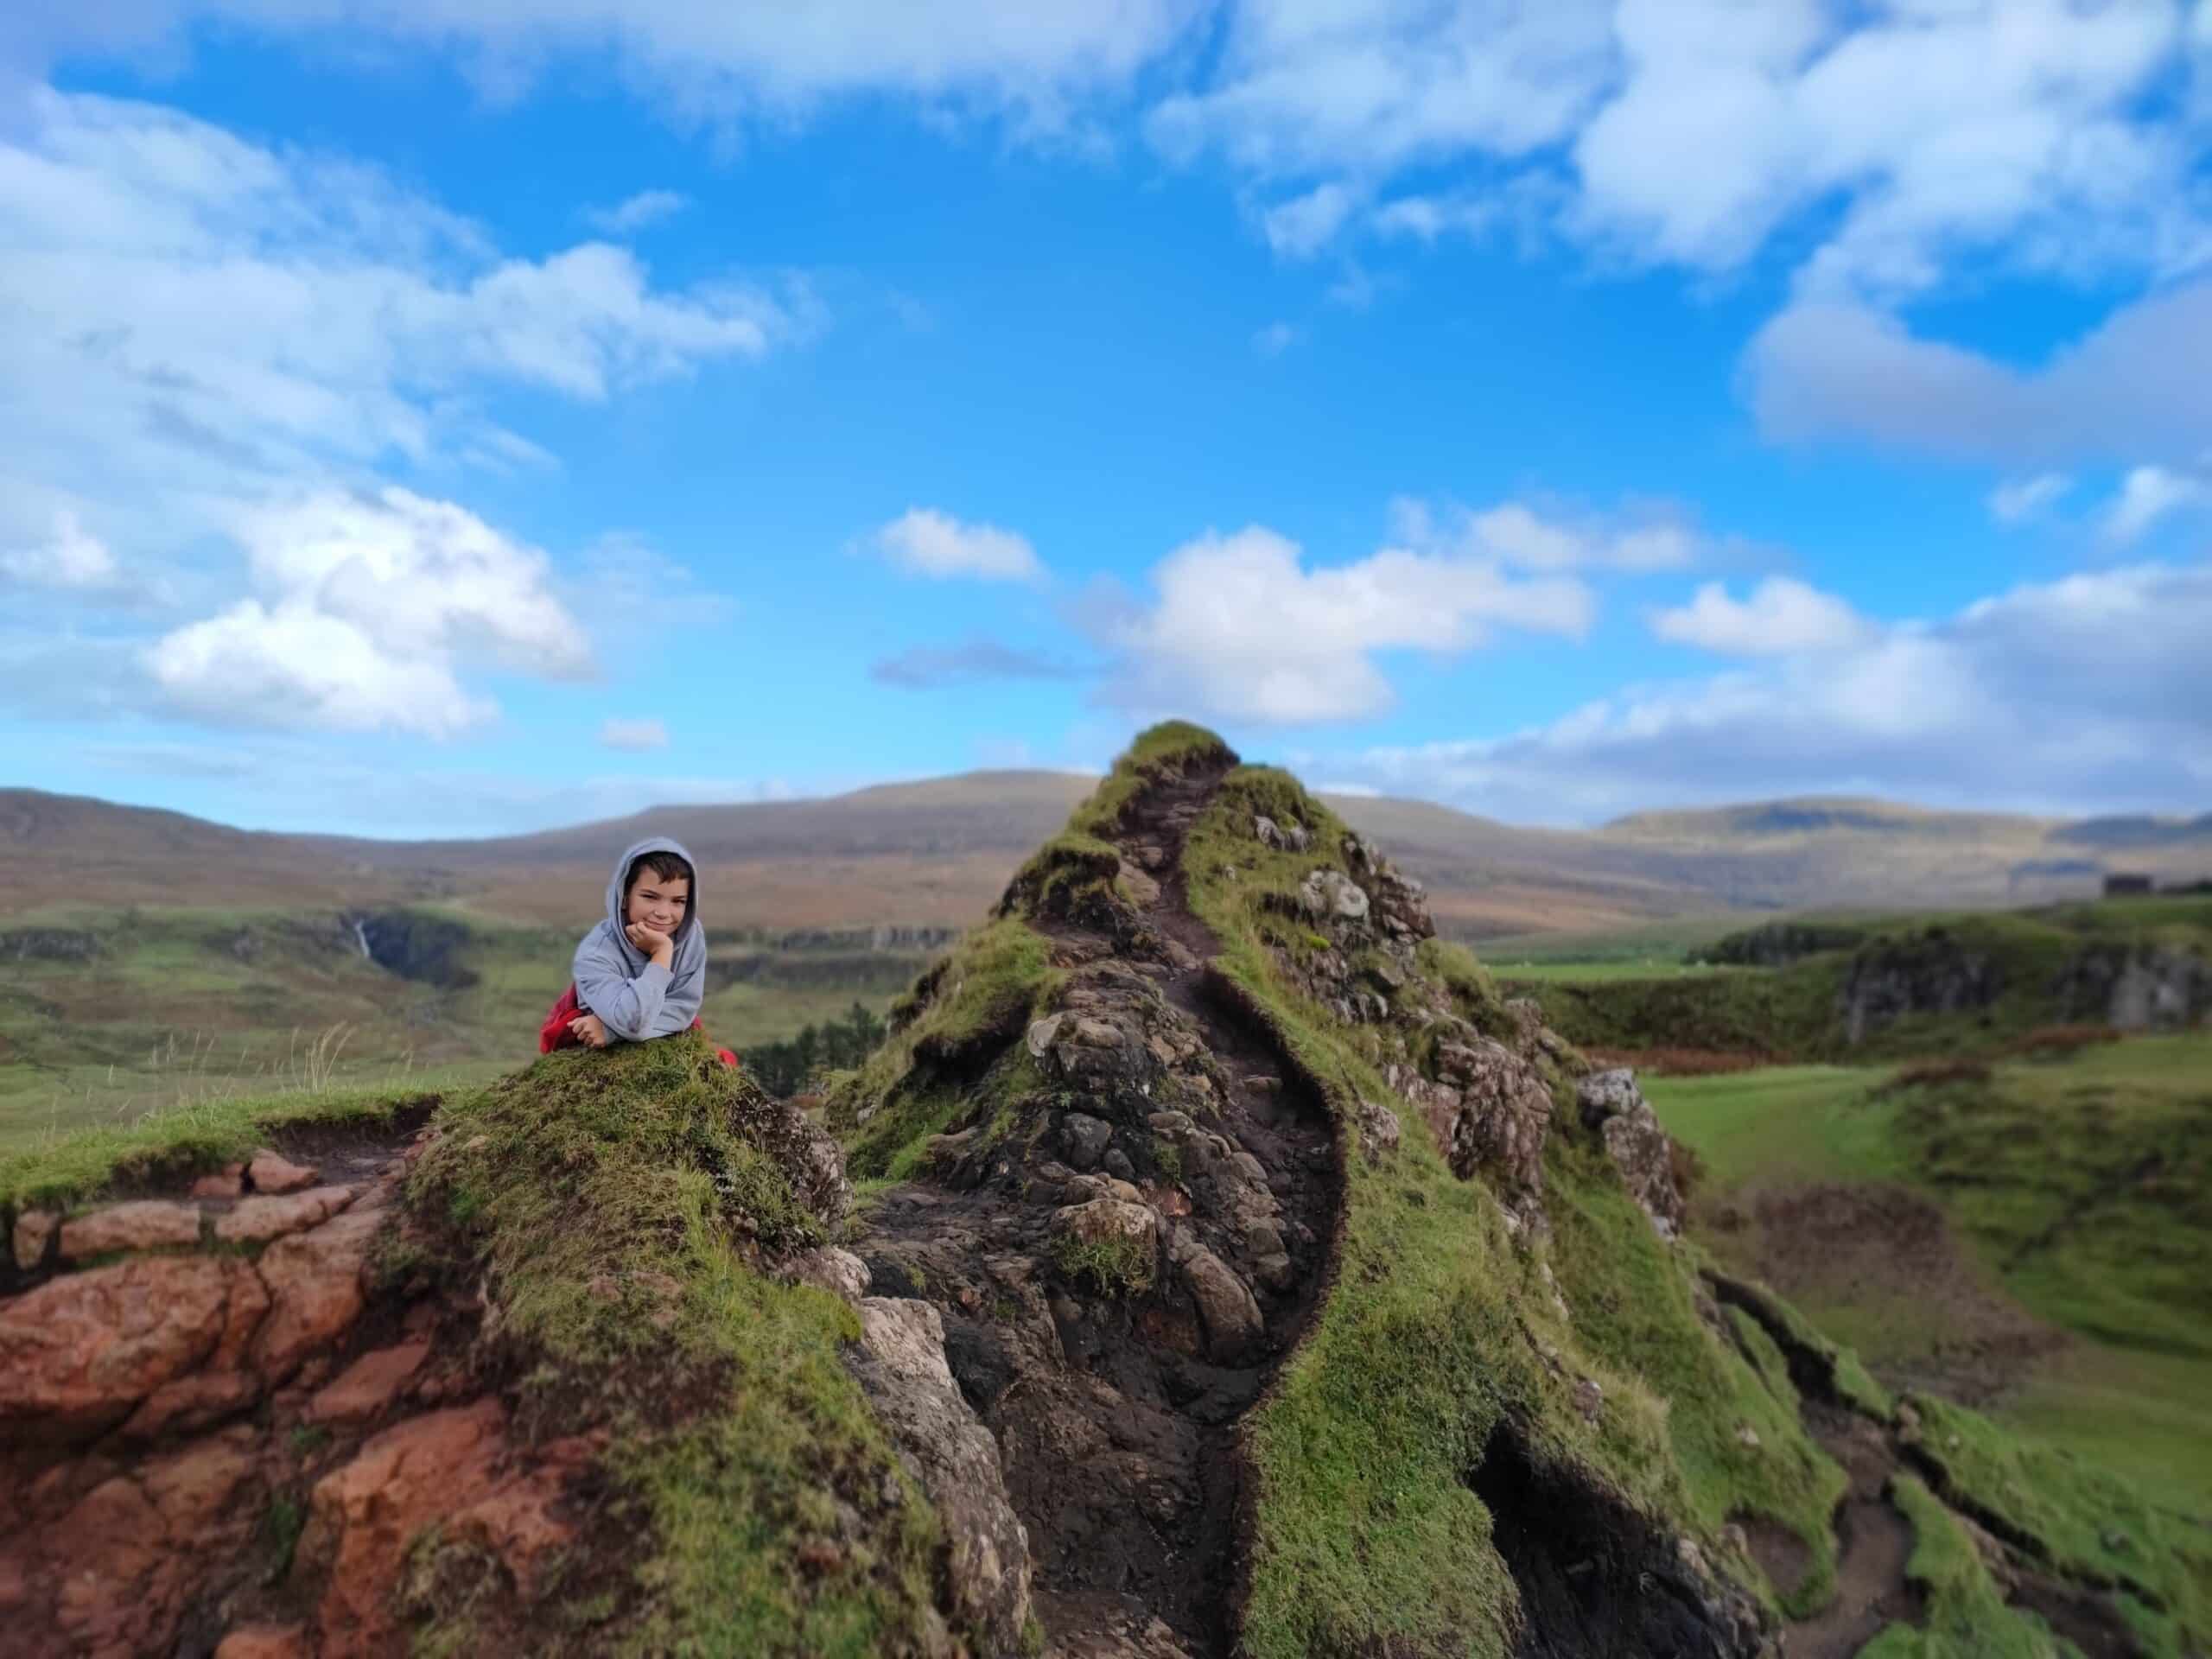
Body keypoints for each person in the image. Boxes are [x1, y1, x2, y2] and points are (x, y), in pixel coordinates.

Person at [538, 836, 736, 1065]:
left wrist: (611, 1031)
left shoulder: (692, 936)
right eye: (650, 897)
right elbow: (632, 1021)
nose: (664, 913)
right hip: (588, 1036)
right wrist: (662, 954)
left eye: (678, 901)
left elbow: (683, 1009)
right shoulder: (595, 953)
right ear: (624, 897)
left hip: (624, 1026)